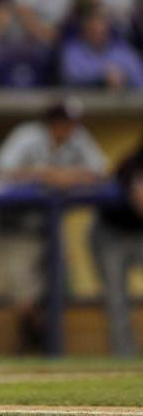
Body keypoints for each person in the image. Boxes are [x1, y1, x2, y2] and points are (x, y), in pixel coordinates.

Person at [0, 99, 107, 353]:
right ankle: (30, 340)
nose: (68, 129)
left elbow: (101, 171)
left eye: (72, 124)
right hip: (17, 227)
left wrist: (71, 176)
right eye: (63, 123)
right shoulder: (26, 135)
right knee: (23, 298)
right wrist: (46, 174)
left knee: (57, 290)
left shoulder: (79, 138)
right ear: (51, 123)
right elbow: (0, 170)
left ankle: (41, 345)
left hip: (51, 229)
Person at [92, 138, 143, 356]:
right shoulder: (133, 163)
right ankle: (124, 356)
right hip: (112, 234)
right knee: (117, 299)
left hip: (139, 234)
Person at [60, 3, 143, 89]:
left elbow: (140, 80)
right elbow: (70, 78)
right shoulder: (73, 51)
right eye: (92, 31)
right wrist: (102, 79)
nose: (98, 34)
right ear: (84, 30)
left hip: (124, 100)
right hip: (87, 101)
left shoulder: (123, 51)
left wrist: (125, 79)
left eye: (101, 30)